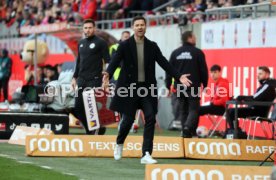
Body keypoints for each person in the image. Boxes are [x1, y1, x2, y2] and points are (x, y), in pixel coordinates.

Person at [102, 16, 192, 164]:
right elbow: (115, 62)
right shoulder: (124, 46)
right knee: (128, 120)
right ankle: (119, 143)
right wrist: (107, 74)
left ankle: (146, 154)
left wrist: (178, 76)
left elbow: (164, 63)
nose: (139, 27)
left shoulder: (152, 46)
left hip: (147, 89)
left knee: (150, 117)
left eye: (142, 25)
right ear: (133, 27)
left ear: (145, 27)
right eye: (137, 25)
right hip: (129, 89)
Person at [166, 31, 208, 138]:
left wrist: (168, 85)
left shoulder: (175, 53)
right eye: (194, 36)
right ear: (190, 38)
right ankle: (188, 128)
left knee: (183, 109)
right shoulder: (198, 52)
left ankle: (186, 132)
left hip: (179, 86)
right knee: (194, 109)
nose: (196, 38)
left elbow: (169, 70)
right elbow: (203, 70)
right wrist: (205, 84)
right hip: (193, 85)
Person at [72, 19, 110, 135]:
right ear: (83, 29)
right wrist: (74, 78)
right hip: (81, 80)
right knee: (77, 107)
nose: (87, 30)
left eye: (90, 27)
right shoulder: (81, 43)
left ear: (94, 28)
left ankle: (94, 129)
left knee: (90, 107)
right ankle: (91, 128)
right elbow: (79, 62)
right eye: (85, 28)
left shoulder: (101, 43)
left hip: (94, 79)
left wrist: (106, 77)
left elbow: (108, 61)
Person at [226, 66, 276, 136]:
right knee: (230, 111)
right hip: (255, 109)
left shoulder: (268, 85)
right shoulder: (267, 85)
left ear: (267, 74)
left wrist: (242, 97)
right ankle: (235, 131)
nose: (258, 75)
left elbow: (255, 98)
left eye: (260, 74)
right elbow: (256, 98)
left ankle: (236, 133)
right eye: (258, 73)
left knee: (231, 111)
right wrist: (241, 98)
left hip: (258, 112)